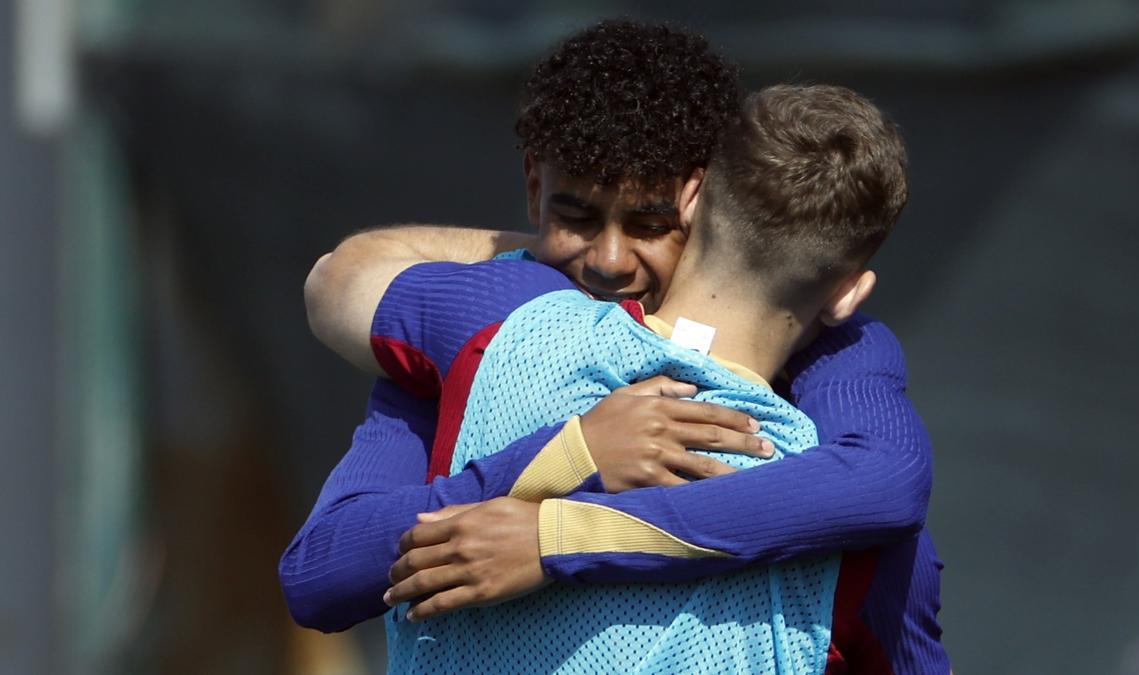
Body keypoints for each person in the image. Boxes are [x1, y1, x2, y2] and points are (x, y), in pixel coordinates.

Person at [281, 19, 945, 672]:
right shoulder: (486, 319)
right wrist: (568, 452)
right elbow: (318, 573)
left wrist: (558, 533)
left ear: (696, 197)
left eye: (648, 224)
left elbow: (887, 482)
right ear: (535, 185)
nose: (606, 261)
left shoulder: (484, 322)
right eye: (575, 217)